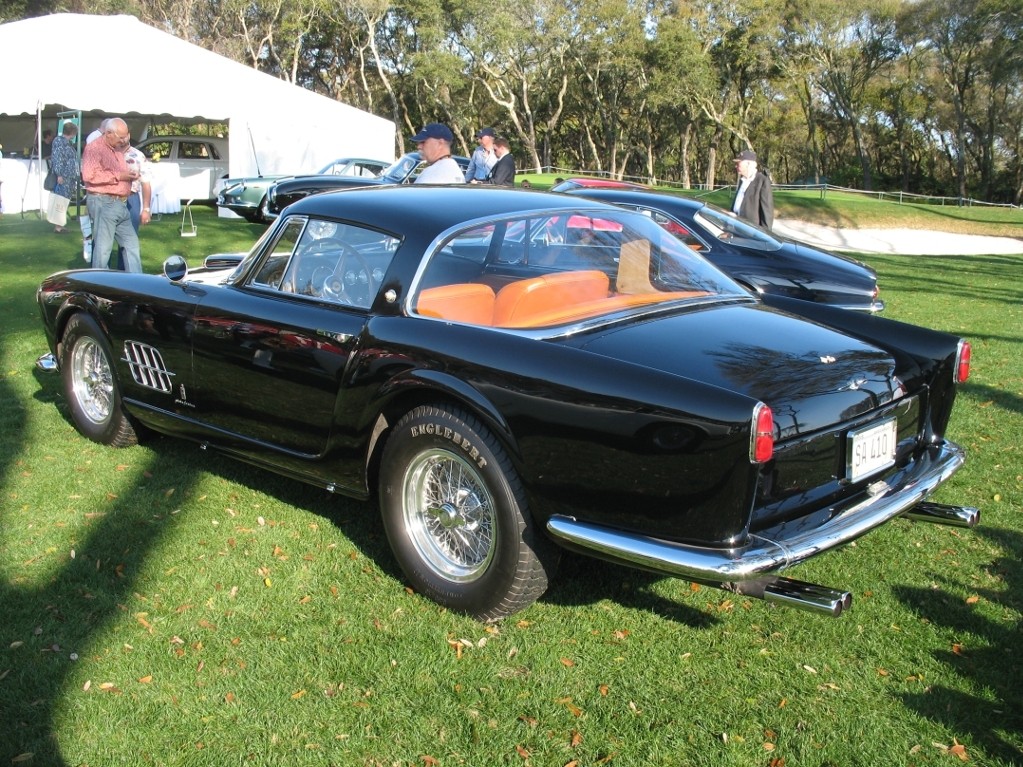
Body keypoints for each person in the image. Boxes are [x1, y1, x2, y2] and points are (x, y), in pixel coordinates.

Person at [81, 117, 142, 272]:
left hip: (121, 204)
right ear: (109, 133)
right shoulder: (93, 149)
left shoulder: (117, 150)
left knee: (131, 244)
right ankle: (98, 284)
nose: (124, 140)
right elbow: (89, 176)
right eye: (121, 137)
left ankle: (137, 283)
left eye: (126, 136)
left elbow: (118, 173)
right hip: (103, 201)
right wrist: (120, 177)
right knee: (103, 248)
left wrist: (129, 174)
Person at [47, 122, 80, 234]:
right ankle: (58, 226)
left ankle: (60, 224)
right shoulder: (60, 142)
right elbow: (57, 159)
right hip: (64, 176)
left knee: (64, 200)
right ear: (72, 132)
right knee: (61, 200)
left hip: (68, 176)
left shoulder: (65, 142)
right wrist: (59, 174)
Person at [730, 149, 774, 229]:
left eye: (738, 163)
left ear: (748, 164)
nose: (736, 166)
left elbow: (767, 214)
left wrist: (765, 238)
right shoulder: (742, 181)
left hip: (751, 233)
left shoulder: (762, 181)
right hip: (736, 229)